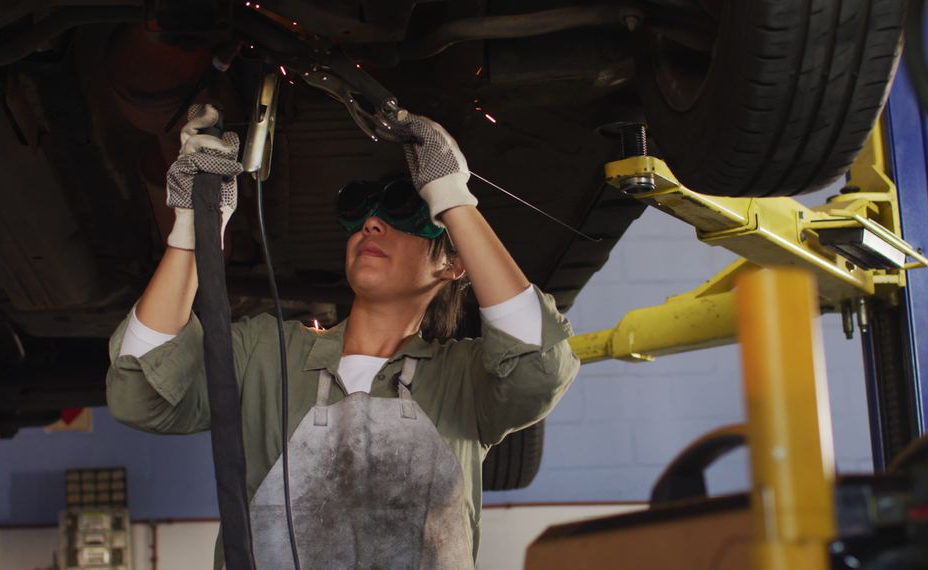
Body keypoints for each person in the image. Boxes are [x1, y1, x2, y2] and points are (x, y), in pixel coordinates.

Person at [106, 104, 580, 568]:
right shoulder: (266, 355)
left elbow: (538, 367)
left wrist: (454, 199)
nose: (372, 224)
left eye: (401, 214)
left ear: (452, 264)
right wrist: (193, 226)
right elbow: (141, 393)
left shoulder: (465, 380)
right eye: (363, 216)